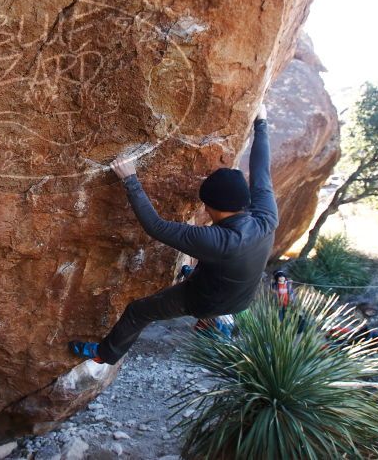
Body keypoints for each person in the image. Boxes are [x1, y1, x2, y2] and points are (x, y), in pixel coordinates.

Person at [69, 104, 278, 364]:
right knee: (205, 269)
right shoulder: (266, 216)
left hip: (206, 300)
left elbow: (156, 227)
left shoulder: (218, 242)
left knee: (138, 312)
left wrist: (130, 180)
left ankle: (105, 353)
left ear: (210, 207)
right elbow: (262, 173)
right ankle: (206, 295)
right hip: (242, 296)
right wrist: (262, 124)